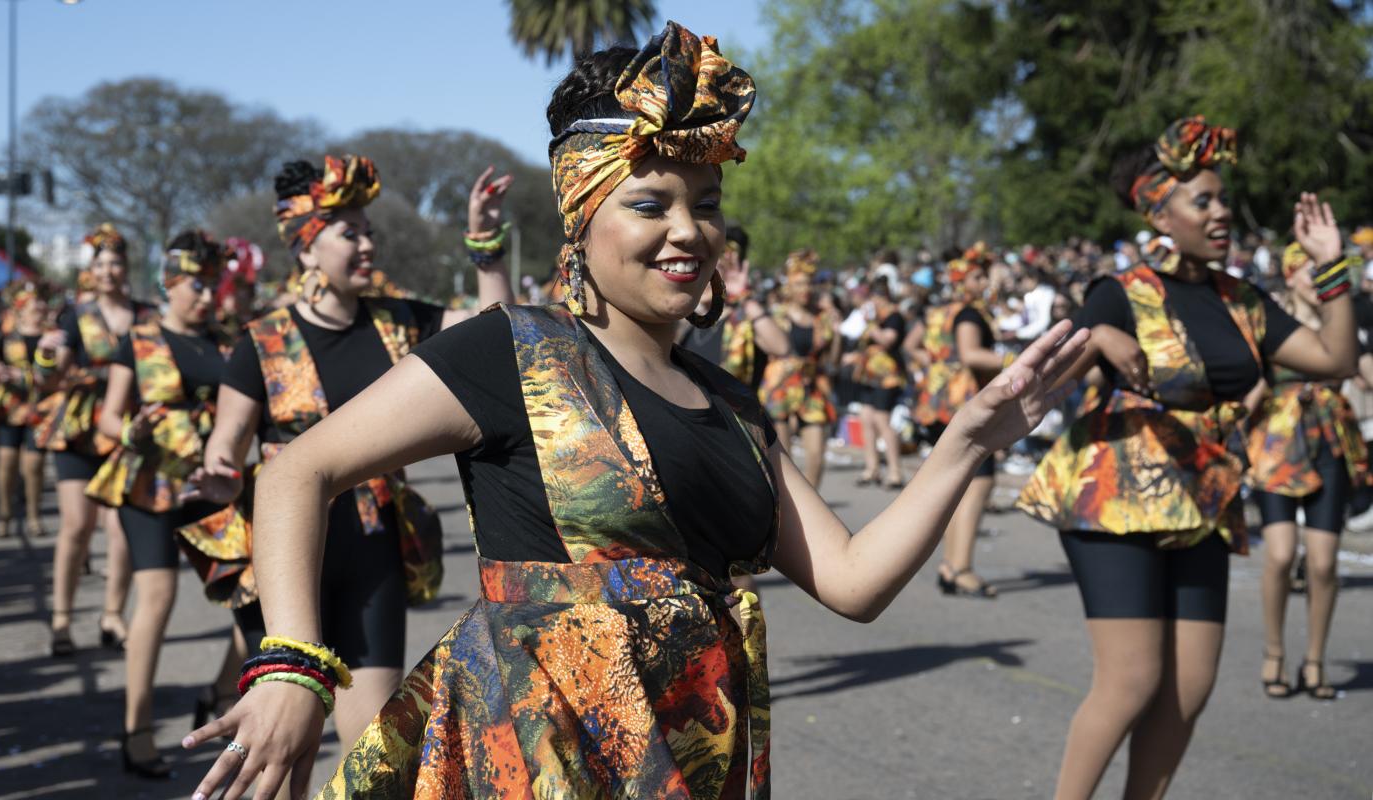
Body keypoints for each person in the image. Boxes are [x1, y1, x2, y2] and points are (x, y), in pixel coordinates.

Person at [182, 24, 1087, 799]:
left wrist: (968, 442)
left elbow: (852, 582)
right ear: (581, 214)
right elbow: (301, 470)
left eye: (707, 205)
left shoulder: (732, 403)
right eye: (650, 203)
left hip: (695, 752)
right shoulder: (512, 349)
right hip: (538, 759)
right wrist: (292, 663)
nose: (689, 231)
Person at [1017, 117, 1356, 799]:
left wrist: (1331, 266)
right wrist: (1101, 333)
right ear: (1159, 212)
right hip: (1114, 498)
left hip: (1202, 497)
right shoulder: (1122, 289)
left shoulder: (1245, 302)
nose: (1221, 211)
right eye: (1203, 200)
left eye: (1222, 198)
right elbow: (1059, 355)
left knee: (1189, 690)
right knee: (1132, 681)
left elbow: (1335, 359)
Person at [175, 154, 515, 757]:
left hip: (371, 551)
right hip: (283, 559)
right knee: (287, 750)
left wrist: (485, 246)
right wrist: (221, 477)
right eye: (347, 232)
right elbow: (226, 443)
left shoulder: (403, 321)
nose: (366, 243)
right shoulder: (261, 342)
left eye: (368, 231)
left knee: (374, 751)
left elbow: (502, 335)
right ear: (306, 250)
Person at [82, 230, 238, 778]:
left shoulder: (227, 343)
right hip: (149, 484)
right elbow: (107, 417)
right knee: (158, 598)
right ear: (169, 284)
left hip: (209, 483)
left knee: (254, 595)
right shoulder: (140, 340)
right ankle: (137, 730)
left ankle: (221, 693)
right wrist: (131, 431)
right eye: (196, 285)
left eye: (213, 284)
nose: (206, 295)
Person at [1246, 243, 1369, 701]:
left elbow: (1361, 369)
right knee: (1279, 555)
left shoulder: (1341, 323)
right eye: (1308, 273)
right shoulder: (1272, 319)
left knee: (1322, 562)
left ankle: (1315, 659)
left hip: (1329, 444)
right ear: (1293, 275)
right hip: (1278, 445)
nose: (1316, 284)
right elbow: (1255, 380)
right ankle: (1274, 650)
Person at [39, 223, 158, 656]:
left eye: (115, 263)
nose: (108, 271)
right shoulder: (76, 317)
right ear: (91, 270)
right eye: (101, 263)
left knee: (122, 529)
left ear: (126, 267)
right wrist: (46, 356)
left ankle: (111, 614)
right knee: (77, 525)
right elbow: (53, 376)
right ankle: (62, 619)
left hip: (127, 431)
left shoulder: (148, 316)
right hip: (80, 430)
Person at [906, 243, 1010, 597]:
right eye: (978, 276)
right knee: (979, 483)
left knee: (959, 483)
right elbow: (971, 354)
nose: (984, 281)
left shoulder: (940, 311)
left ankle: (951, 565)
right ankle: (959, 567)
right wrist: (1018, 357)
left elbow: (912, 345)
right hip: (960, 401)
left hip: (937, 402)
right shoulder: (968, 313)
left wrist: (935, 365)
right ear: (963, 280)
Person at [0, 280, 51, 538]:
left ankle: (33, 515)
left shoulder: (52, 333)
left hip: (41, 407)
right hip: (10, 408)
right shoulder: (6, 330)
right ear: (20, 306)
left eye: (40, 302)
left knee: (34, 465)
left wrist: (23, 376)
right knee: (6, 462)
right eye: (32, 302)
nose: (38, 307)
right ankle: (5, 516)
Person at [760, 249, 840, 488]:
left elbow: (832, 361)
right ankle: (785, 512)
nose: (806, 289)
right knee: (784, 459)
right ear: (789, 287)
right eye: (800, 284)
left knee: (816, 454)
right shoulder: (776, 314)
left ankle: (812, 506)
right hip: (780, 386)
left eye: (810, 284)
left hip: (811, 386)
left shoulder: (822, 317)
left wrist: (837, 334)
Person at [678, 225, 790, 389]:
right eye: (700, 268)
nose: (705, 278)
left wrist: (744, 296)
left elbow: (781, 348)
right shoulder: (689, 321)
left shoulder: (744, 320)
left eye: (716, 271)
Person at [849, 276, 908, 488]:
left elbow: (887, 340)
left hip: (887, 377)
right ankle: (871, 468)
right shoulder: (871, 317)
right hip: (869, 375)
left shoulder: (894, 317)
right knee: (866, 419)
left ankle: (895, 471)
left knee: (882, 421)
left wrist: (871, 324)